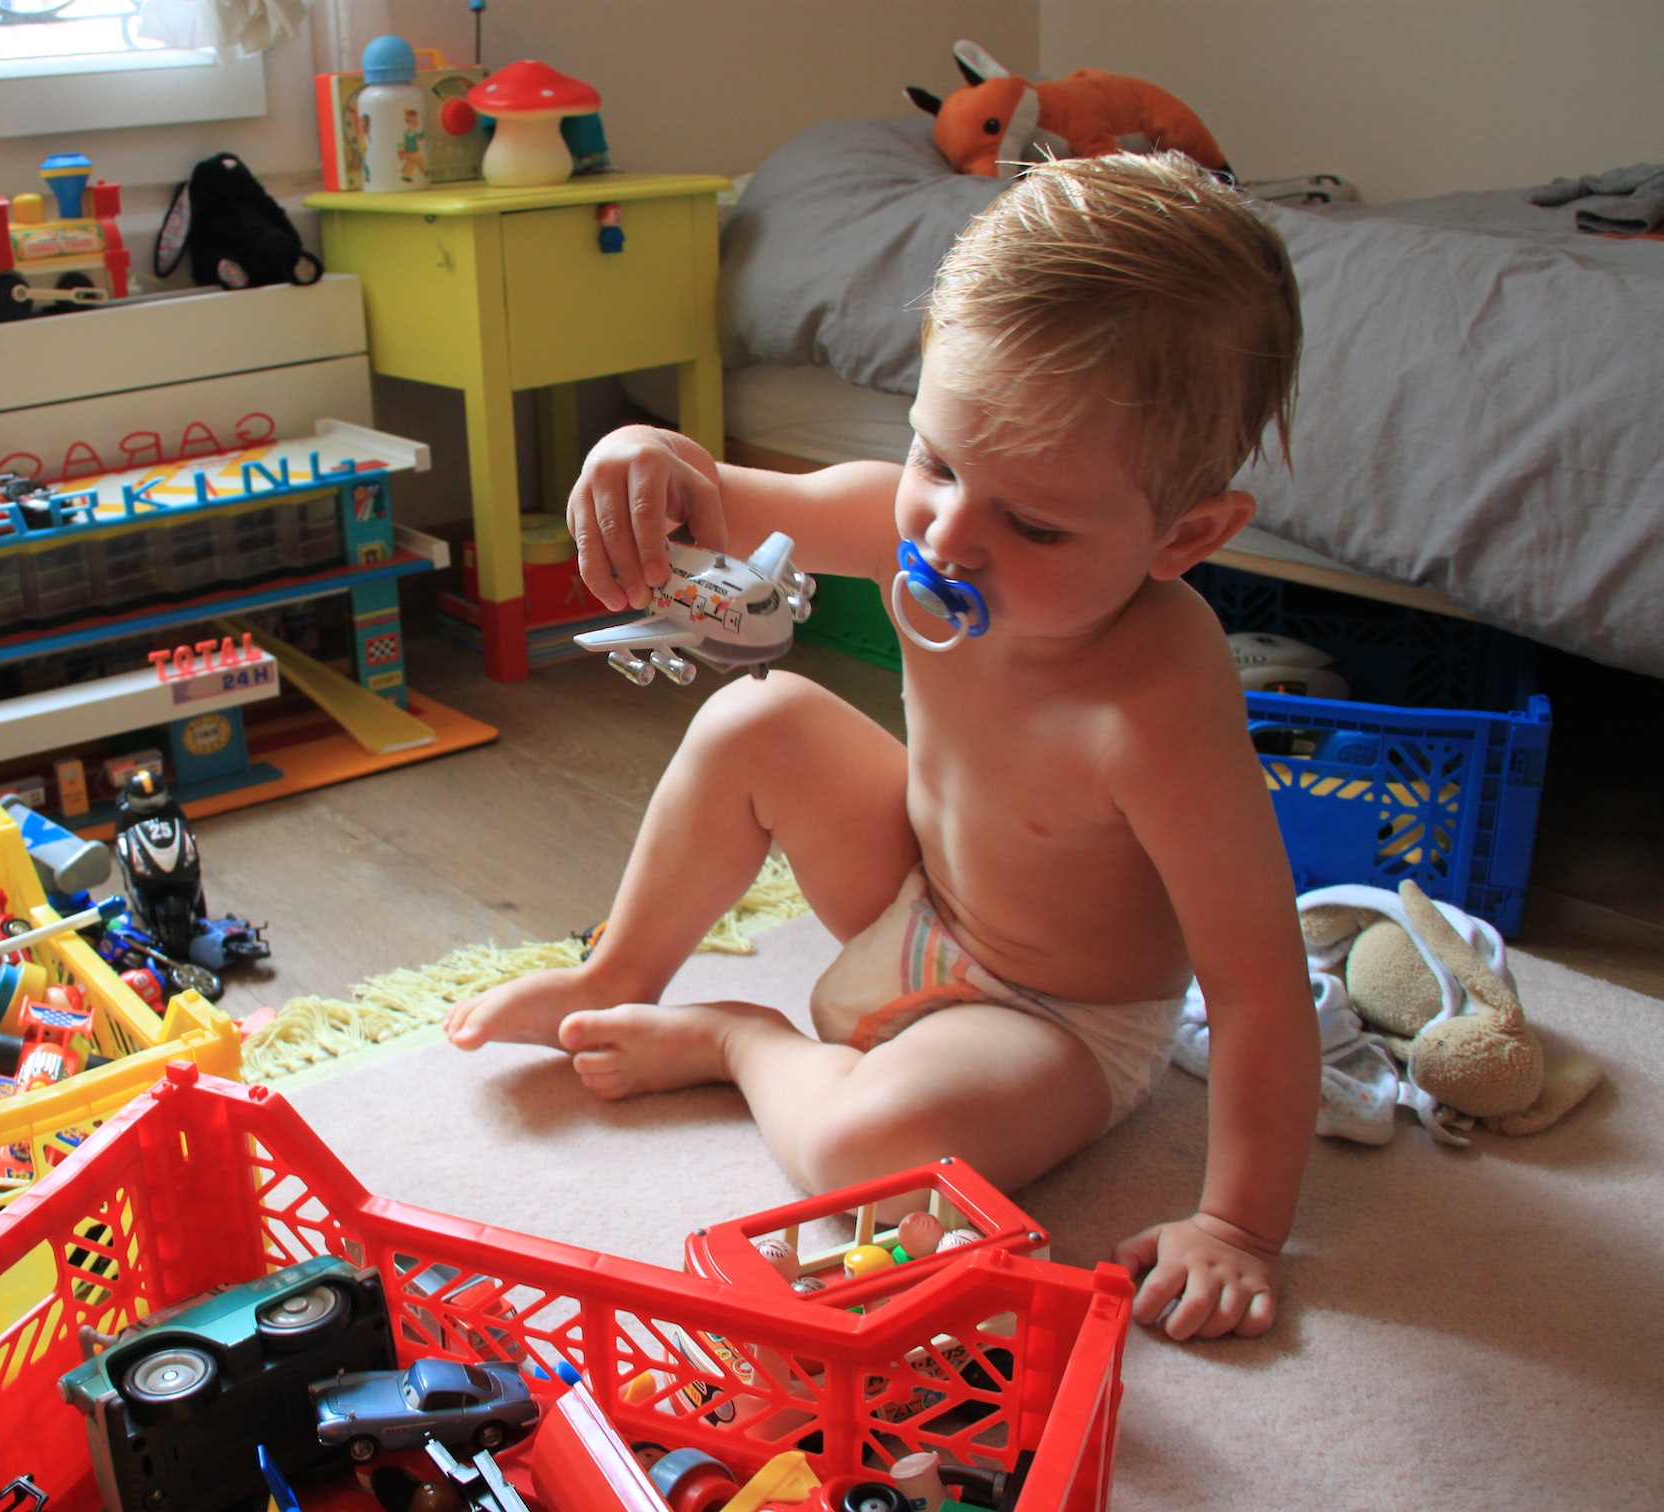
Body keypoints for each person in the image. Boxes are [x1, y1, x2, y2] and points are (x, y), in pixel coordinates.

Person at [444, 153, 1320, 1342]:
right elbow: (714, 505)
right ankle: (620, 972)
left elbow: (1260, 982)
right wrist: (645, 456)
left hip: (1059, 1019)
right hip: (919, 894)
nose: (947, 538)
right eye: (935, 462)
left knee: (870, 1151)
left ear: (1186, 536)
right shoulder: (916, 528)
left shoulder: (1159, 697)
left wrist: (1239, 1227)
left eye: (1035, 523)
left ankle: (739, 1039)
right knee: (757, 716)